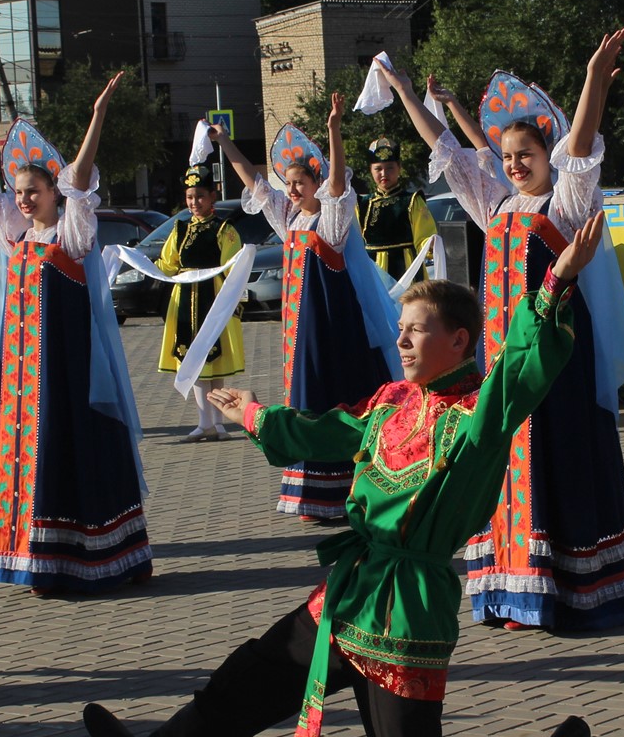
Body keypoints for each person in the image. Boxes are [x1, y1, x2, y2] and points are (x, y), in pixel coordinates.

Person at [81, 220, 612, 737]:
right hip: (352, 587)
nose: (402, 340)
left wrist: (558, 278)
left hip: (405, 611)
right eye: (401, 328)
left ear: (459, 340)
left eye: (417, 330)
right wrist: (254, 413)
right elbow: (323, 430)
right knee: (248, 679)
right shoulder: (392, 402)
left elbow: (522, 365)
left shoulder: (478, 417)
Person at [384, 35, 624, 632]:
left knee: (557, 464)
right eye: (507, 157)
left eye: (526, 154)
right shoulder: (497, 207)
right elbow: (447, 149)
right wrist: (405, 93)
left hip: (555, 366)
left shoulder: (565, 205)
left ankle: (567, 592)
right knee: (502, 468)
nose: (515, 164)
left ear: (548, 155)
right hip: (502, 370)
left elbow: (581, 147)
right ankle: (512, 589)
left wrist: (593, 77)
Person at [0, 75, 155, 591]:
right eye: (18, 193)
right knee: (24, 461)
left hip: (64, 372)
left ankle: (87, 558)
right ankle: (32, 558)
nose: (22, 199)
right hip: (20, 383)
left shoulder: (72, 233)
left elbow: (78, 179)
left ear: (53, 193)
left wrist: (97, 116)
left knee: (69, 453)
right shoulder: (14, 236)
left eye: (32, 191)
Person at [210, 96, 399, 522]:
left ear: (317, 183)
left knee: (331, 396)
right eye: (289, 184)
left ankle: (346, 491)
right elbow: (255, 182)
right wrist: (225, 143)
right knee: (304, 399)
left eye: (301, 183)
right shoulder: (289, 219)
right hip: (299, 328)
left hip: (332, 327)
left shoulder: (331, 223)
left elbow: (338, 187)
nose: (293, 190)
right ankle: (313, 493)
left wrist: (333, 131)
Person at [157, 167, 244, 440]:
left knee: (214, 360)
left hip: (213, 298)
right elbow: (168, 263)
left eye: (200, 196)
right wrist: (141, 264)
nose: (194, 202)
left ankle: (218, 422)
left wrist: (232, 299)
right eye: (190, 197)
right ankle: (205, 421)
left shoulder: (224, 229)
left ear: (212, 196)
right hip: (185, 298)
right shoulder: (180, 229)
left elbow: (233, 266)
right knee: (192, 358)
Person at [356, 136, 437, 277]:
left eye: (390, 168)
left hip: (406, 269)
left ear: (399, 168)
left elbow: (424, 236)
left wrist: (430, 245)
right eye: (378, 169)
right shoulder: (362, 203)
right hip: (373, 271)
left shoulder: (411, 200)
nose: (384, 174)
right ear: (371, 170)